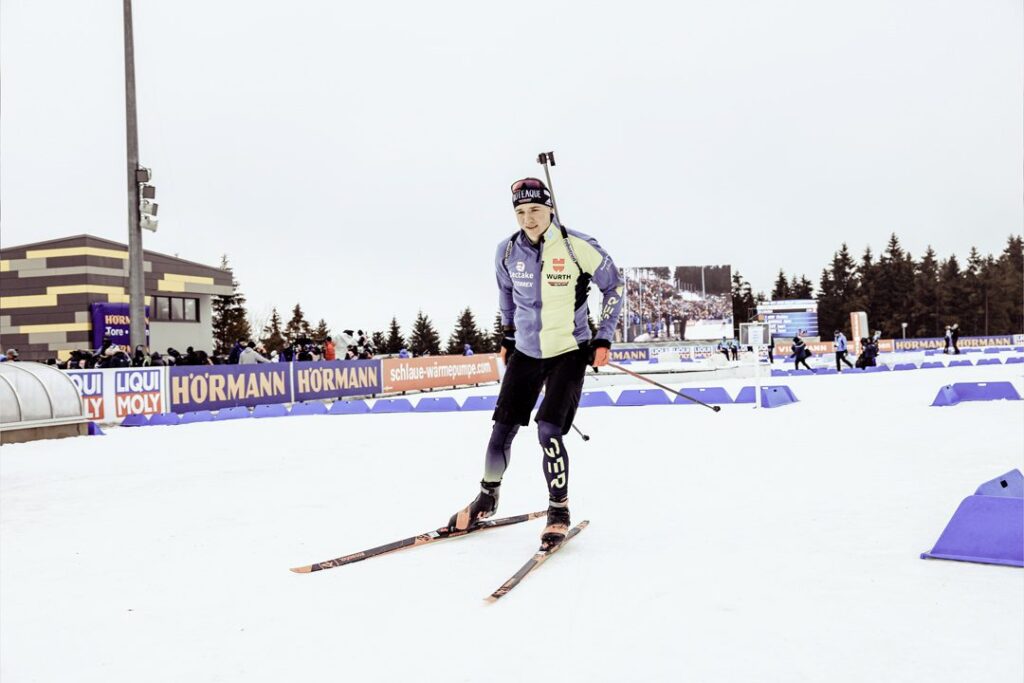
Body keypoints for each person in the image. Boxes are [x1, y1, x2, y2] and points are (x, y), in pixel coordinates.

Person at [447, 176, 623, 551]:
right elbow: (505, 295)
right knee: (502, 430)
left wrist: (604, 336)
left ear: (550, 210)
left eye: (535, 211)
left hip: (568, 351)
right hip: (527, 352)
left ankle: (558, 510)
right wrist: (508, 336)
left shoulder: (578, 247)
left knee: (548, 431)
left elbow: (615, 286)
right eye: (521, 212)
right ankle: (486, 498)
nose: (528, 219)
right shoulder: (506, 251)